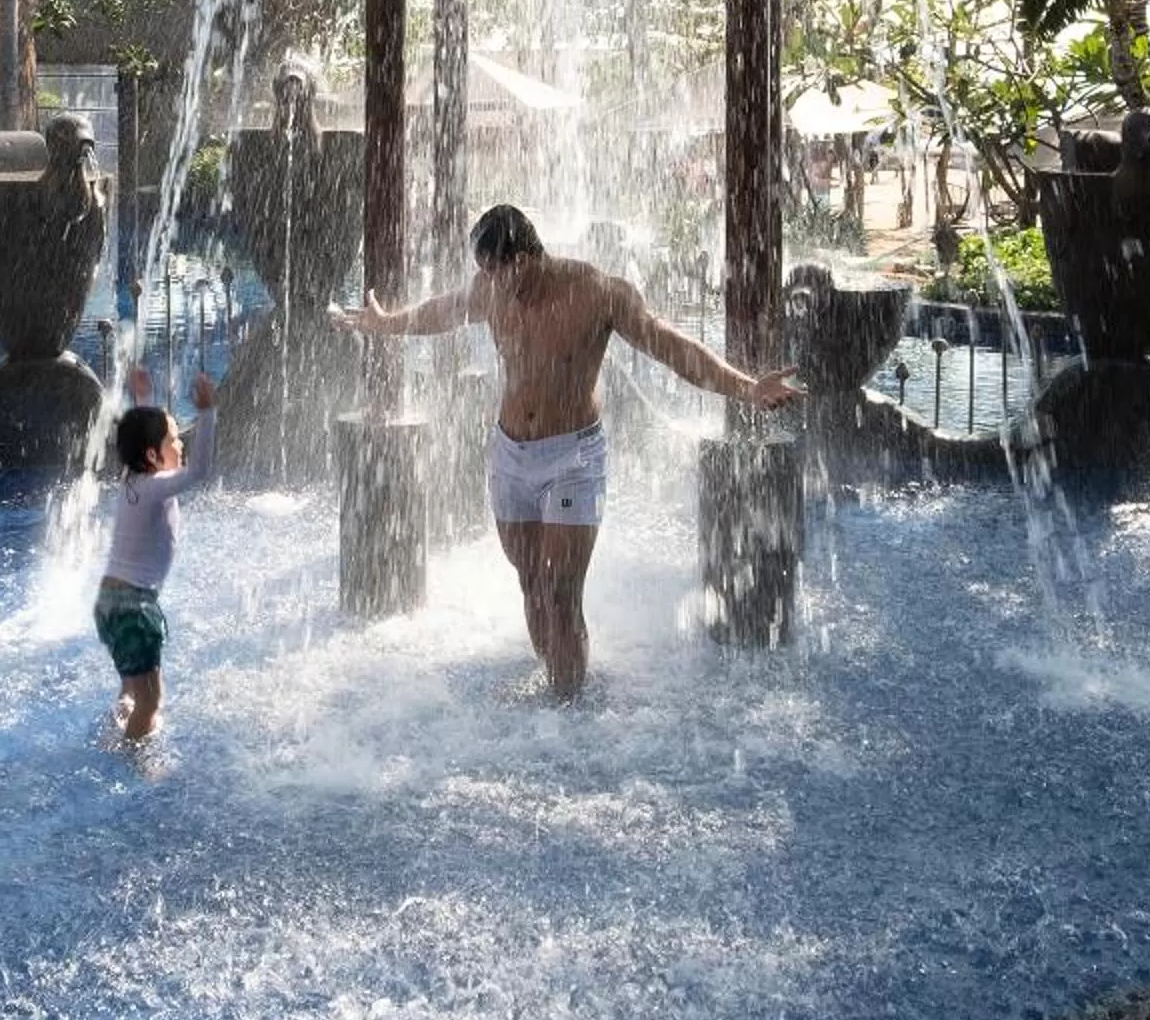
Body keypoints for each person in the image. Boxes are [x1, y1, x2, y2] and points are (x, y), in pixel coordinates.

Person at [331, 203, 800, 700]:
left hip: (573, 460)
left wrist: (748, 388)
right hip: (510, 456)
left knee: (560, 592)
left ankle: (569, 708)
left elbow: (672, 347)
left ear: (525, 258)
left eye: (497, 270)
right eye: (483, 272)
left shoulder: (596, 293)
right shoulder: (491, 289)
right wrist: (387, 324)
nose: (491, 282)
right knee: (531, 582)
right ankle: (551, 697)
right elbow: (440, 312)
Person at [97, 364, 217, 743]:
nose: (181, 445)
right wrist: (207, 413)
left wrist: (144, 399)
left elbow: (143, 439)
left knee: (133, 689)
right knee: (152, 700)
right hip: (135, 607)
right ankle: (133, 756)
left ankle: (118, 723)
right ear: (153, 454)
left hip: (109, 603)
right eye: (175, 440)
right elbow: (200, 471)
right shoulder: (154, 487)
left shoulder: (132, 479)